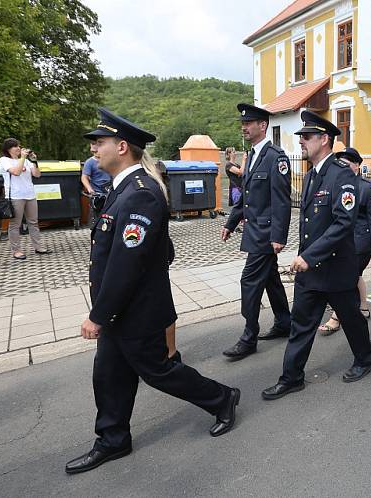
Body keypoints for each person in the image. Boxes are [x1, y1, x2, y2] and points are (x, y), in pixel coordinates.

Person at [65, 109, 240, 476]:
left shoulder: (139, 193)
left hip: (136, 310)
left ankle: (222, 398)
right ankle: (113, 439)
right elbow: (158, 251)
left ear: (123, 147)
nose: (94, 149)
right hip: (121, 308)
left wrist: (98, 315)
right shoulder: (124, 188)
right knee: (109, 374)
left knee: (158, 371)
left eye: (100, 142)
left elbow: (125, 266)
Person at [262, 111, 371, 400]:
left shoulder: (341, 175)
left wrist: (309, 256)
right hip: (311, 270)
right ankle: (291, 377)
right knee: (301, 323)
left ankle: (365, 359)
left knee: (350, 318)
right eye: (300, 137)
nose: (301, 142)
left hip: (336, 268)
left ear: (324, 139)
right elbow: (311, 223)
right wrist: (306, 257)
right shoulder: (312, 175)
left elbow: (343, 223)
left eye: (307, 137)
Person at [221, 104, 292, 360]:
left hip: (265, 235)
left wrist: (278, 237)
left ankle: (249, 336)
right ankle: (285, 322)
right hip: (253, 231)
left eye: (249, 123)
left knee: (249, 282)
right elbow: (246, 196)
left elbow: (282, 200)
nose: (244, 127)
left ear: (262, 126)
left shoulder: (276, 157)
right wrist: (230, 223)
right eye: (243, 123)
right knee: (271, 279)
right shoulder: (251, 156)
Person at [318, 147, 371, 334]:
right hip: (340, 240)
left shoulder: (367, 186)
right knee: (355, 276)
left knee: (345, 278)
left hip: (360, 242)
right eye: (341, 164)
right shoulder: (335, 183)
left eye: (347, 164)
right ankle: (363, 307)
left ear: (357, 166)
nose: (343, 167)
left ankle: (336, 317)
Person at [0, 138, 51, 260]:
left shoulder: (26, 161)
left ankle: (38, 247)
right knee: (15, 224)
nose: (19, 148)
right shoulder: (4, 160)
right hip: (15, 196)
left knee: (33, 222)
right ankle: (16, 251)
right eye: (15, 146)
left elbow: (37, 175)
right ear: (8, 149)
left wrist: (34, 161)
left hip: (30, 195)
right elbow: (16, 172)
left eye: (19, 146)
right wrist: (22, 158)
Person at [81, 154, 112, 225]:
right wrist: (89, 189)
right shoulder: (89, 162)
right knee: (97, 219)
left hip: (110, 192)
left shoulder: (109, 160)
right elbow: (84, 177)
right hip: (97, 194)